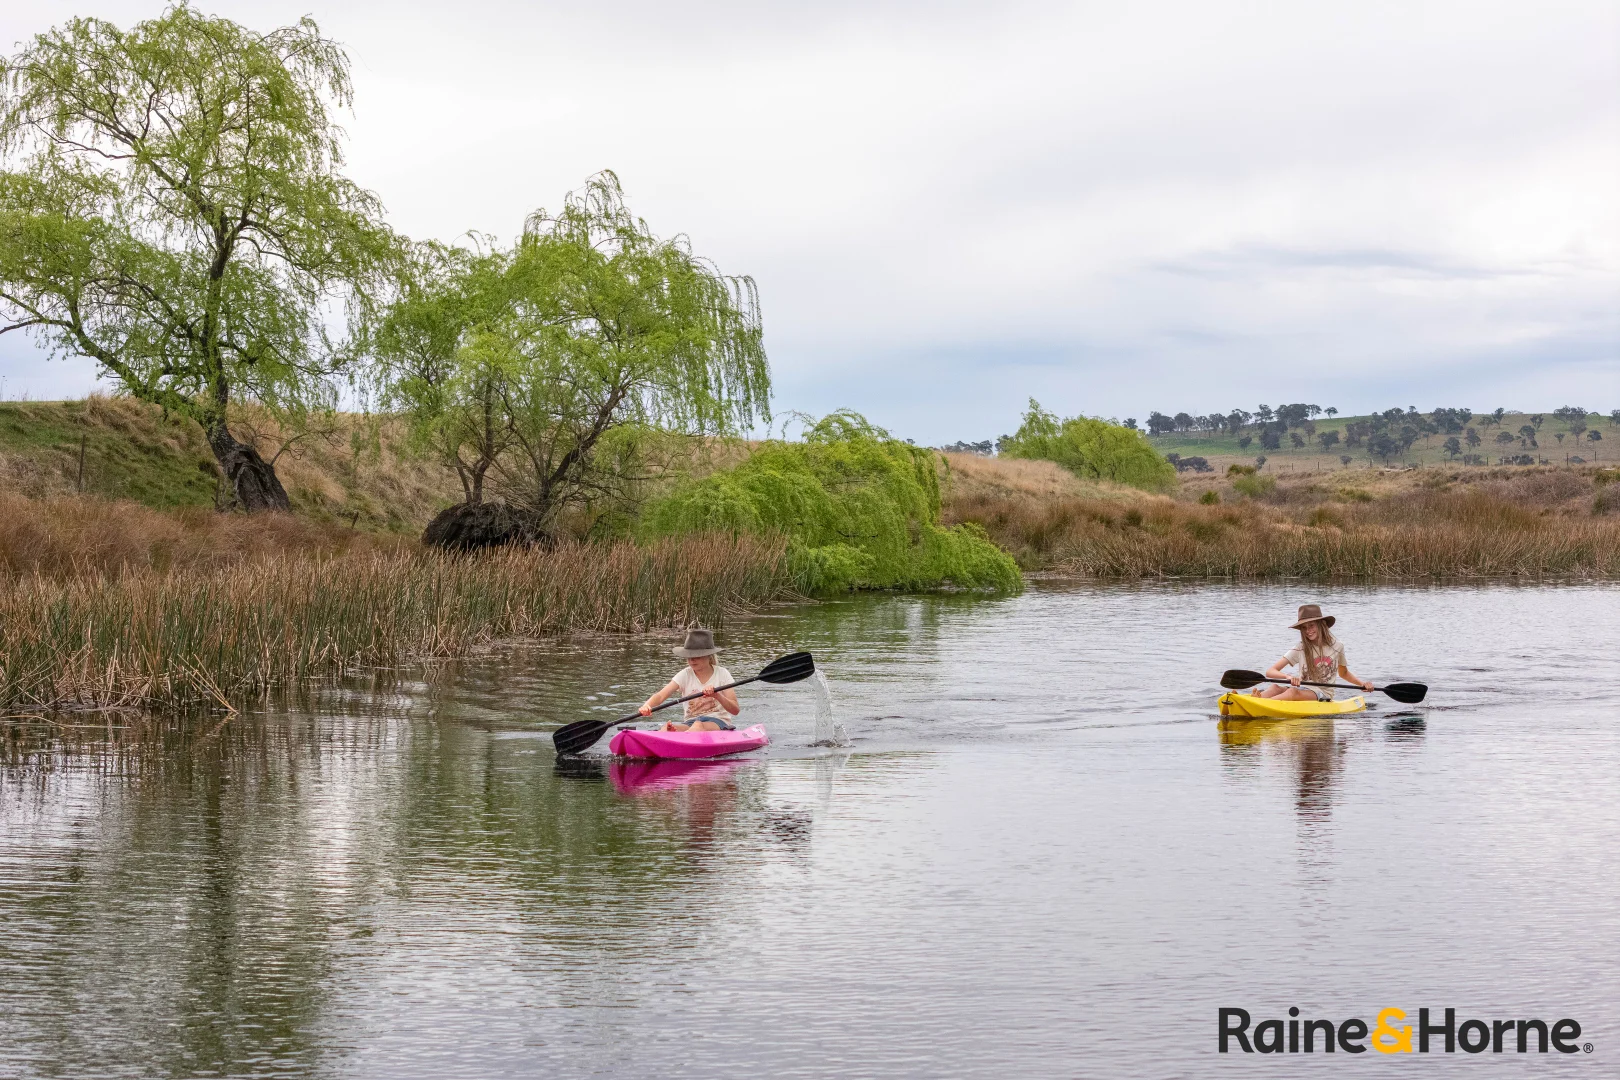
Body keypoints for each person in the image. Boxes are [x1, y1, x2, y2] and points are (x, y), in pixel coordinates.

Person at [1252, 604, 1374, 701]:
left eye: (1311, 626)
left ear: (1321, 625)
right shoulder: (1301, 648)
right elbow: (1270, 671)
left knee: (1292, 692)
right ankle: (1253, 701)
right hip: (1302, 688)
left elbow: (1344, 673)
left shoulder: (1337, 646)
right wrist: (1288, 677)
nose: (1308, 631)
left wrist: (1362, 684)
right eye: (1304, 628)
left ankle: (1260, 703)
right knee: (1275, 687)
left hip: (1323, 693)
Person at [638, 627, 741, 731]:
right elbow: (660, 696)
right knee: (666, 728)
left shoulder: (722, 674)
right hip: (690, 722)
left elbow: (735, 710)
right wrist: (647, 705)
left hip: (718, 721)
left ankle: (682, 739)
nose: (692, 660)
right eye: (689, 656)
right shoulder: (684, 675)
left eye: (697, 656)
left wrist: (717, 695)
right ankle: (674, 738)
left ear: (708, 656)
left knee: (698, 725)